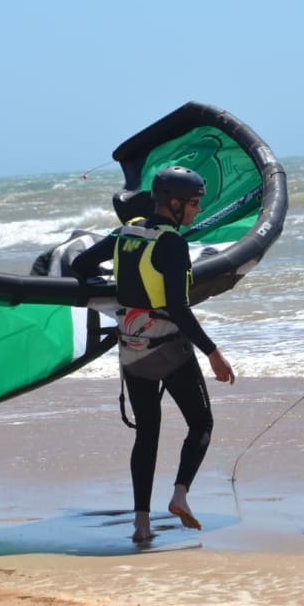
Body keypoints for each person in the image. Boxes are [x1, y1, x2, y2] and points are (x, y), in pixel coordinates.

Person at [72, 165, 235, 543]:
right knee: (201, 423)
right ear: (175, 204)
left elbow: (82, 266)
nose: (196, 210)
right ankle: (180, 495)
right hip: (168, 347)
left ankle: (141, 525)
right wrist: (213, 352)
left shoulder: (122, 233)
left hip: (131, 348)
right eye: (194, 204)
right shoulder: (172, 244)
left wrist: (119, 289)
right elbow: (178, 307)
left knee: (147, 434)